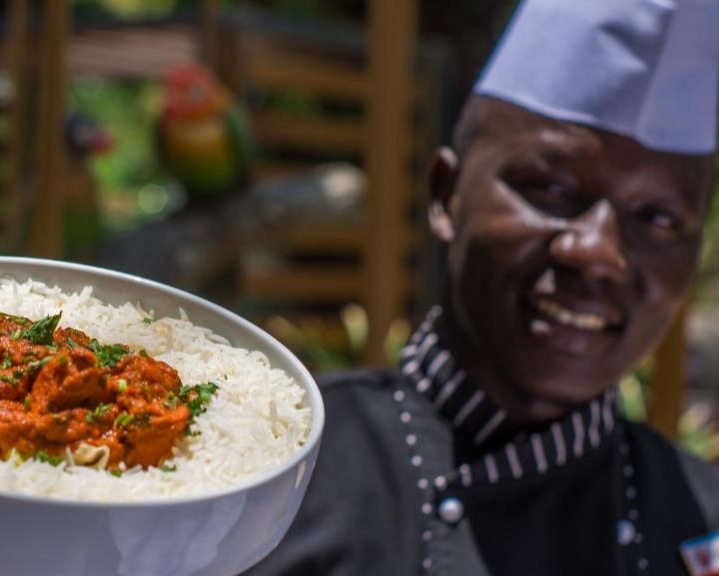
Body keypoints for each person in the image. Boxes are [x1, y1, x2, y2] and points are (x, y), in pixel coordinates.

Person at [245, 0, 719, 575]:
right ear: (447, 194)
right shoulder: (268, 463)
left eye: (658, 218)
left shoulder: (700, 518)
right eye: (549, 187)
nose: (597, 253)